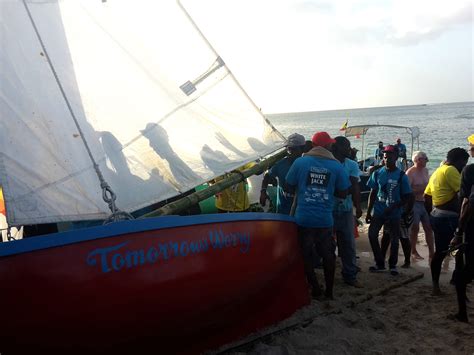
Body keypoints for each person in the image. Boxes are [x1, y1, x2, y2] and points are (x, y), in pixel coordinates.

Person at [286, 132, 350, 300]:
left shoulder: (300, 162)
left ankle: (315, 287)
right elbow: (343, 193)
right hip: (324, 220)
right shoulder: (336, 166)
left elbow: (288, 185)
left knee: (306, 254)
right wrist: (326, 189)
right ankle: (329, 292)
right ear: (328, 146)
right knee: (328, 255)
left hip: (303, 218)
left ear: (313, 145)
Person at [424, 147, 469, 295]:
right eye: (464, 163)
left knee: (441, 252)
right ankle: (457, 283)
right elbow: (462, 196)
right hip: (449, 218)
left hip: (437, 215)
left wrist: (430, 215)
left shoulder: (437, 171)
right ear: (459, 161)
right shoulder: (451, 171)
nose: (463, 167)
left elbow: (427, 196)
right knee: (460, 251)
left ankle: (436, 285)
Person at [365, 145, 413, 275]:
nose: (387, 159)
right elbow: (373, 193)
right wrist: (368, 212)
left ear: (396, 158)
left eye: (390, 157)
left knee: (394, 239)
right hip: (378, 211)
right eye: (385, 157)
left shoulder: (402, 176)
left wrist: (396, 206)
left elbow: (407, 196)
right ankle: (379, 262)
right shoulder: (377, 173)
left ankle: (392, 265)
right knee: (372, 235)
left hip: (394, 213)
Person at [331, 136, 363, 287]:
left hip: (345, 209)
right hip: (328, 209)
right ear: (337, 147)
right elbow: (349, 186)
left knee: (348, 244)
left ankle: (349, 275)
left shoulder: (351, 164)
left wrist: (358, 207)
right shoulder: (329, 163)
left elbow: (354, 186)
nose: (349, 149)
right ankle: (329, 272)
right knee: (327, 244)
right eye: (347, 146)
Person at [450, 134, 474, 322]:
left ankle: (462, 314)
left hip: (472, 230)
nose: (470, 149)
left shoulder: (469, 170)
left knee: (461, 277)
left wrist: (458, 232)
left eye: (472, 146)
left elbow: (467, 204)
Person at [260, 133, 306, 214]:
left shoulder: (307, 164)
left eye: (294, 149)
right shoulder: (280, 164)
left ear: (302, 149)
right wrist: (263, 192)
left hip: (301, 209)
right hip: (283, 208)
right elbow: (267, 176)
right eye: (289, 149)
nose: (291, 152)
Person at [406, 151, 434, 261]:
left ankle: (432, 252)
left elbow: (429, 186)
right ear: (418, 160)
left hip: (425, 202)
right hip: (414, 203)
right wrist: (423, 188)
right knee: (415, 227)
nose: (427, 161)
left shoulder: (426, 171)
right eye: (425, 159)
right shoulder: (410, 173)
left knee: (429, 227)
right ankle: (413, 250)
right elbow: (408, 191)